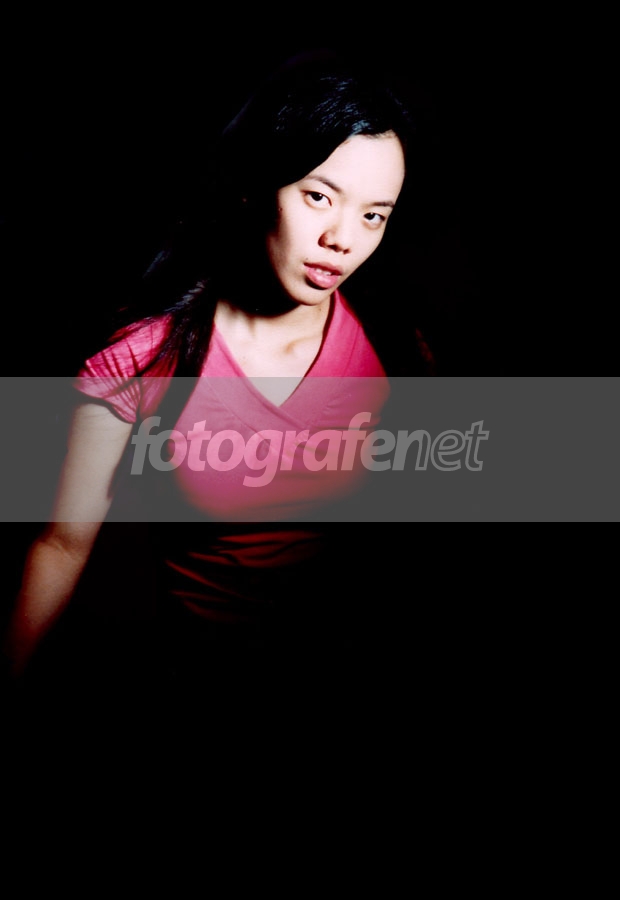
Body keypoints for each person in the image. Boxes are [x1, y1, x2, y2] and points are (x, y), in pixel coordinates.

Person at [3, 49, 435, 715]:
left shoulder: (394, 346)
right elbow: (60, 545)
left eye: (374, 214)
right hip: (203, 679)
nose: (343, 238)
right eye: (319, 196)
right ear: (257, 185)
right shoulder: (145, 356)